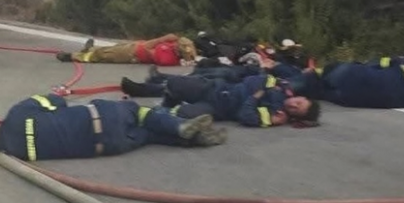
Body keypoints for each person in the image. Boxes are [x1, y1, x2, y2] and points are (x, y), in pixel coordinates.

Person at [0, 92, 226, 161]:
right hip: (101, 117)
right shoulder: (16, 115)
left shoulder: (19, 154)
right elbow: (56, 100)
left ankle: (195, 139)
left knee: (148, 136)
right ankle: (180, 126)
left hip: (111, 146)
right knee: (141, 113)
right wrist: (58, 95)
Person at [120, 74, 321, 128]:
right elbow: (253, 79)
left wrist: (256, 96)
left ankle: (131, 111)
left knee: (183, 116)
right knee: (174, 83)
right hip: (216, 88)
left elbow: (245, 115)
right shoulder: (283, 86)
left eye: (296, 111)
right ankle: (138, 89)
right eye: (299, 103)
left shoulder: (276, 115)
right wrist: (260, 91)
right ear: (301, 97)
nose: (293, 106)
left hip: (216, 108)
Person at [285, 56, 404, 108]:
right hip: (347, 99)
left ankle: (280, 87)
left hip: (352, 76)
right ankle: (286, 94)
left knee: (316, 77)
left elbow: (377, 62)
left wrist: (362, 66)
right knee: (317, 90)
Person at [55, 34, 198, 66]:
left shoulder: (167, 59)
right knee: (108, 48)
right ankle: (89, 49)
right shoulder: (172, 47)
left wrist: (162, 39)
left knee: (102, 55)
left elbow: (148, 48)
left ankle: (71, 56)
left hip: (132, 54)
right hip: (135, 46)